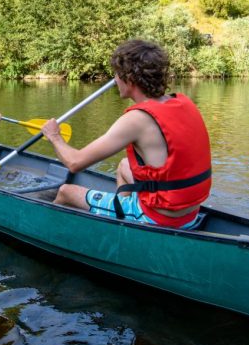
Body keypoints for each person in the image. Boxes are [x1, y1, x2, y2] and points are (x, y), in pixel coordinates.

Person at [41, 39, 211, 229]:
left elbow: (75, 162)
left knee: (65, 191)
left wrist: (54, 135)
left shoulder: (137, 119)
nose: (115, 80)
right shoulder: (183, 103)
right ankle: (118, 222)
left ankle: (48, 231)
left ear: (129, 80)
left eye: (116, 75)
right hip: (189, 212)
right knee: (123, 166)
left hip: (160, 219)